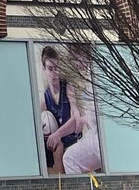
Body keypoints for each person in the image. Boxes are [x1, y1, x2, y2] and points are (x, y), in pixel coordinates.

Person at [38, 45, 103, 174]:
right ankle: (61, 183)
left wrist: (57, 134)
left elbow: (75, 118)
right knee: (57, 148)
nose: (54, 73)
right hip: (61, 144)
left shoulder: (68, 87)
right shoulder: (44, 98)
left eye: (56, 68)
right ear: (44, 69)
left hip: (75, 138)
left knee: (68, 155)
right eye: (50, 69)